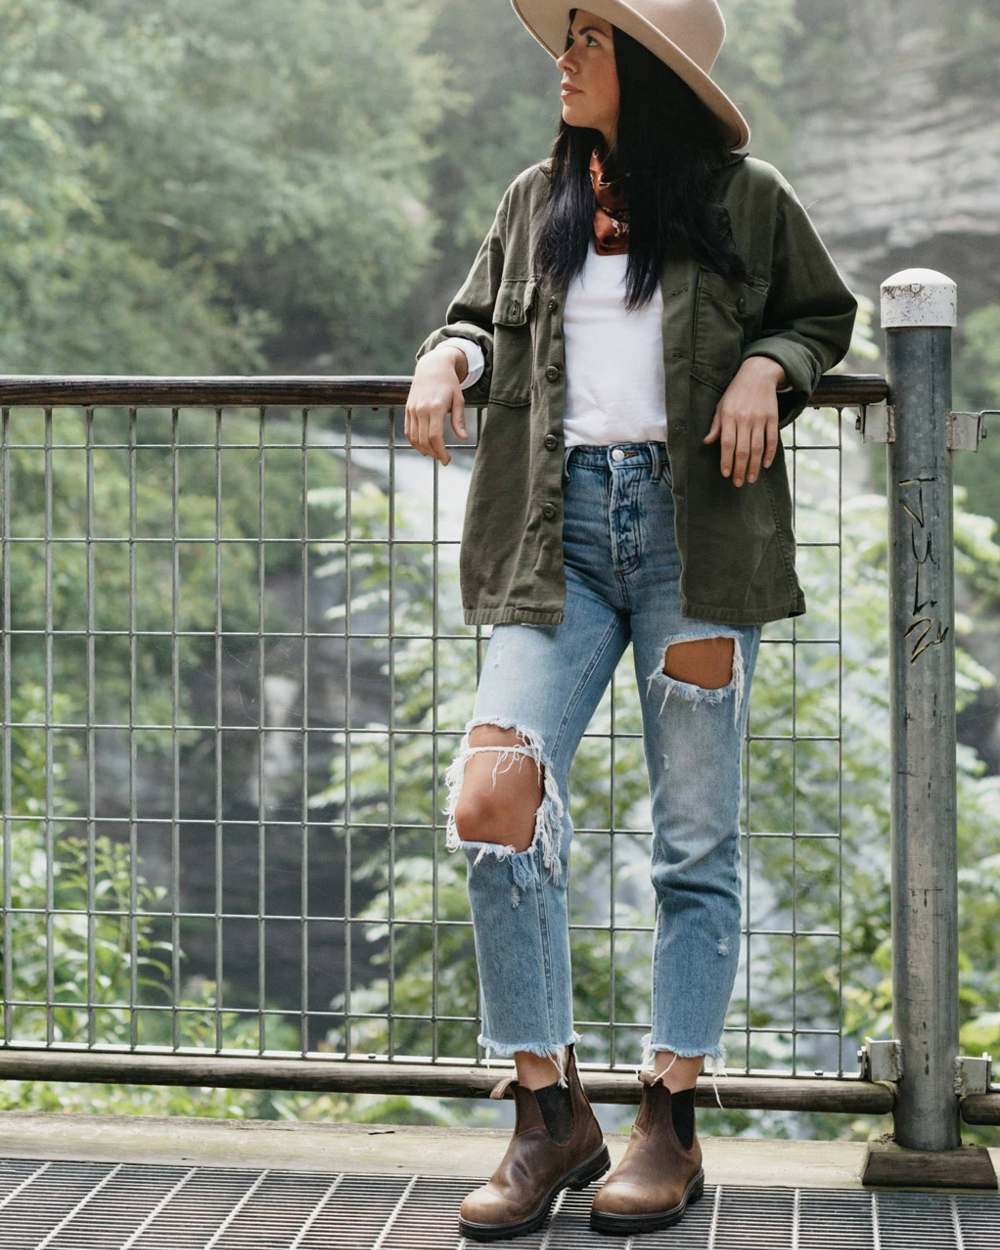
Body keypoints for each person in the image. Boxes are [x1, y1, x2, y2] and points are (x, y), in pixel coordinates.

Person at [405, 1, 858, 1240]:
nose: (563, 58)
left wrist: (771, 367)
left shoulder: (743, 196)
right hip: (557, 540)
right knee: (493, 804)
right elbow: (479, 321)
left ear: (647, 72)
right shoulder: (531, 200)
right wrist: (445, 354)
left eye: (589, 41)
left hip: (693, 539)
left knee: (694, 840)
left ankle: (668, 1112)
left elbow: (821, 315)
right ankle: (550, 1116)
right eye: (566, 38)